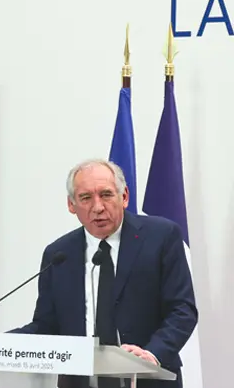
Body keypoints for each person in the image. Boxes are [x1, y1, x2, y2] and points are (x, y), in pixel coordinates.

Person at [11, 159, 198, 388]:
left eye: (106, 194)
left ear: (124, 197)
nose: (98, 207)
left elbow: (182, 310)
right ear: (71, 204)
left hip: (147, 381)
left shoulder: (161, 237)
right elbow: (47, 326)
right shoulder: (59, 254)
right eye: (86, 198)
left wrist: (152, 354)